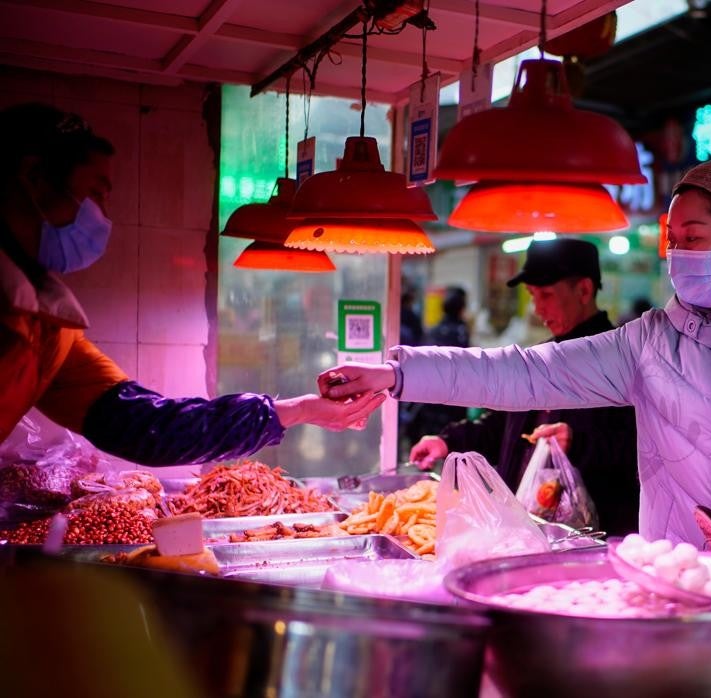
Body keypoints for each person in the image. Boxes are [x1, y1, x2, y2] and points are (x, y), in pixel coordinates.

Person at [324, 158, 711, 554]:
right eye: (672, 240)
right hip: (677, 586)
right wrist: (398, 373)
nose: (678, 254)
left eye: (695, 239)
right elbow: (525, 374)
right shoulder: (650, 341)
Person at [0, 102, 379, 463]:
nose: (103, 215)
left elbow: (147, 427)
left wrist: (296, 411)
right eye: (96, 193)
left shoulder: (46, 325)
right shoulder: (24, 311)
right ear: (33, 177)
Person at [409, 239, 640, 535]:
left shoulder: (620, 361)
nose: (537, 308)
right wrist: (447, 441)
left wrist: (578, 443)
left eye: (546, 295)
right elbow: (504, 425)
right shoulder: (541, 359)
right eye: (532, 295)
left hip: (594, 539)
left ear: (583, 290)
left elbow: (639, 450)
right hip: (527, 532)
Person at [405, 286, 471, 441]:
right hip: (454, 395)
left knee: (431, 435)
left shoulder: (434, 330)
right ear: (461, 308)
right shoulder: (461, 332)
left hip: (431, 393)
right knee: (450, 437)